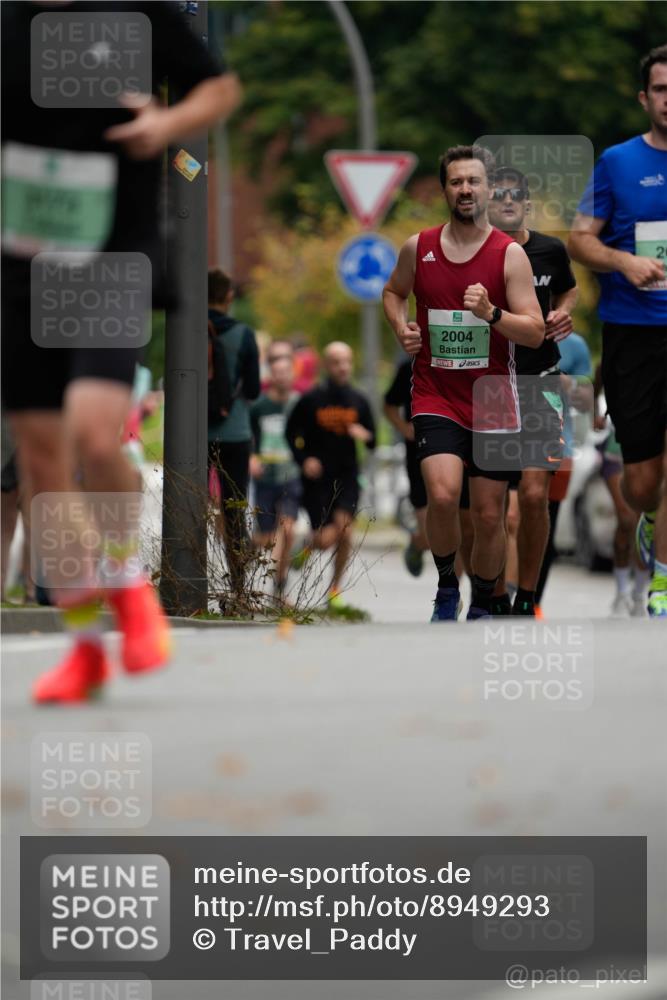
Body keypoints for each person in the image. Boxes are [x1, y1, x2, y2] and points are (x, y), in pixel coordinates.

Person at [1, 1, 241, 701]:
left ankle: (126, 585)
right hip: (22, 267)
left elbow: (219, 87)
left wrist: (165, 125)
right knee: (42, 464)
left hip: (113, 253)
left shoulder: (135, 14)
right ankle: (83, 649)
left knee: (95, 436)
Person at [382, 144, 544, 621]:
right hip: (436, 394)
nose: (466, 189)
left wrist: (491, 313)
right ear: (446, 190)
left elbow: (533, 331)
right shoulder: (420, 247)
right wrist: (401, 327)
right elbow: (393, 292)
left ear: (489, 189)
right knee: (445, 494)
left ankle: (484, 598)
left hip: (494, 400)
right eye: (457, 182)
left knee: (492, 515)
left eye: (474, 181)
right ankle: (448, 584)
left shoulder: (509, 256)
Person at [568, 44, 667, 617]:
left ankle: (662, 579)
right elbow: (581, 238)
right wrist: (625, 262)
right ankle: (651, 520)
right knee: (641, 483)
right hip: (631, 331)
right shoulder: (618, 162)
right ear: (644, 98)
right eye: (661, 89)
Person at [487, 165, 578, 616]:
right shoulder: (480, 253)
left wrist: (563, 313)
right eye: (498, 194)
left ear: (526, 202)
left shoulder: (550, 250)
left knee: (535, 495)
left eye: (514, 195)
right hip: (491, 386)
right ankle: (493, 592)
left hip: (541, 380)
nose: (507, 201)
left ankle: (528, 594)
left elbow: (570, 293)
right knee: (495, 506)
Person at [285, 341, 376, 608]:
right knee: (325, 541)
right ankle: (306, 547)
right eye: (337, 362)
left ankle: (334, 590)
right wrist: (304, 459)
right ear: (327, 365)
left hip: (347, 476)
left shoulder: (358, 400)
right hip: (318, 479)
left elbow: (372, 441)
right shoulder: (312, 399)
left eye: (347, 361)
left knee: (346, 533)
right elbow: (291, 434)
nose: (343, 367)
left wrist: (364, 434)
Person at [207, 268, 261, 604]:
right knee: (234, 510)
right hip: (235, 431)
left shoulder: (187, 330)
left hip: (193, 433)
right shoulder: (243, 334)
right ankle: (238, 589)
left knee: (189, 508)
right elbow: (254, 390)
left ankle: (185, 579)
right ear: (229, 296)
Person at [534, 332, 593, 614]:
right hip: (506, 444)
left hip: (560, 446)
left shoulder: (574, 344)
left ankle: (532, 602)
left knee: (546, 526)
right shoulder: (504, 324)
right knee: (506, 520)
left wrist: (567, 384)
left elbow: (586, 401)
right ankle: (492, 595)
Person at [593, 365, 649, 617]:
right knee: (626, 519)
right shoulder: (616, 351)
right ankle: (621, 593)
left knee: (643, 522)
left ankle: (639, 594)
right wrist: (596, 414)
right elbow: (594, 386)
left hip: (648, 451)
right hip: (615, 450)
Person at [249, 352, 301, 604]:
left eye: (286, 371)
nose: (281, 376)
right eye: (276, 372)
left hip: (291, 473)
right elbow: (249, 437)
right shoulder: (259, 406)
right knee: (268, 538)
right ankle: (249, 543)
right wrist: (252, 458)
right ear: (271, 376)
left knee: (288, 530)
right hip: (265, 477)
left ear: (293, 374)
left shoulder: (300, 404)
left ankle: (279, 589)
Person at [383, 358, 429, 576]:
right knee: (432, 536)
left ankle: (452, 590)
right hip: (418, 454)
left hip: (458, 452)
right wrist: (404, 428)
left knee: (458, 529)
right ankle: (418, 542)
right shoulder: (409, 367)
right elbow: (389, 405)